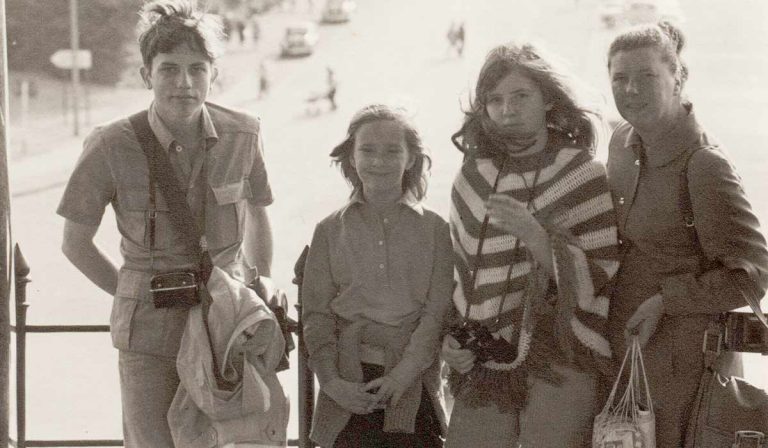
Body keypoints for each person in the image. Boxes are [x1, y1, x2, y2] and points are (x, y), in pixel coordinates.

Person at [56, 1, 275, 446]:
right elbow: (74, 242)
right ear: (146, 75)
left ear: (213, 74)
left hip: (224, 326)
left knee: (233, 438)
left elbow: (257, 211)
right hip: (150, 336)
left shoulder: (244, 134)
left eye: (197, 69)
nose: (184, 84)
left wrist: (260, 279)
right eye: (169, 69)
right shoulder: (111, 144)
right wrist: (131, 290)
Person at [442, 42, 620, 447]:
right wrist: (452, 340)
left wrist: (537, 237)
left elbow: (600, 272)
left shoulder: (581, 172)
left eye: (521, 96)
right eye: (495, 100)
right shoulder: (472, 178)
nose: (508, 109)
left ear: (548, 101)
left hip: (563, 351)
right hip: (486, 357)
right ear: (483, 110)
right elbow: (459, 274)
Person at [604, 21, 768, 446]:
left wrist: (666, 301)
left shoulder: (704, 165)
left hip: (689, 365)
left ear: (678, 80)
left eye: (647, 77)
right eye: (619, 78)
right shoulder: (621, 143)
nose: (631, 90)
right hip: (622, 352)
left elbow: (753, 276)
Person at [301, 104, 454, 447]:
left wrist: (402, 376)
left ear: (411, 158)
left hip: (412, 378)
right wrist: (332, 382)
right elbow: (316, 315)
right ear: (351, 158)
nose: (379, 161)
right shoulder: (329, 230)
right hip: (347, 380)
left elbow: (436, 314)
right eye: (367, 150)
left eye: (392, 151)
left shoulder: (436, 229)